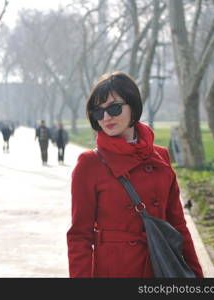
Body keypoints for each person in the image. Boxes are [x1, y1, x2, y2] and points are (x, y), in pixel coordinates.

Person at [66, 71, 203, 278]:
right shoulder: (90, 164)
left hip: (161, 267)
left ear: (133, 106)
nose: (106, 117)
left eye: (114, 108)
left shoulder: (160, 156)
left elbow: (178, 225)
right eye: (98, 112)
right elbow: (79, 236)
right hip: (116, 269)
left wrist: (197, 274)